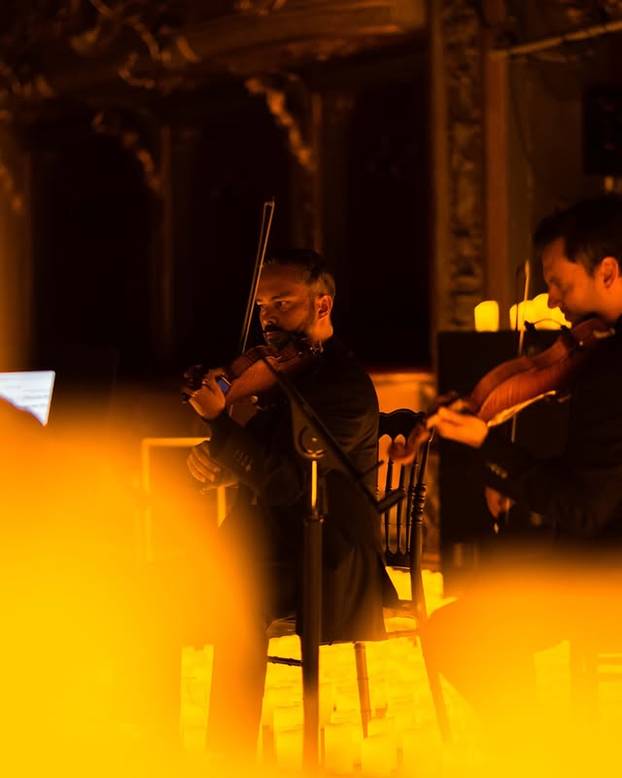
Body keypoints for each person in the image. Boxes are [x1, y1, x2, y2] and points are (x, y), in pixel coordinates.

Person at [406, 194, 622, 727]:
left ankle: (538, 750)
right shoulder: (600, 357)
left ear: (609, 272)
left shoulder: (611, 372)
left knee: (457, 631)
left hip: (604, 582)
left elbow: (584, 509)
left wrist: (490, 445)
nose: (552, 300)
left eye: (561, 283)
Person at [184, 249, 397, 755]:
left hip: (327, 557)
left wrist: (220, 426)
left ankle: (226, 754)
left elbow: (287, 485)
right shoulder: (288, 376)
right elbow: (266, 456)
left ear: (322, 306)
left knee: (230, 595)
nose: (268, 317)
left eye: (283, 302)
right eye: (262, 307)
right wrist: (218, 458)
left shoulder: (341, 385)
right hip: (282, 541)